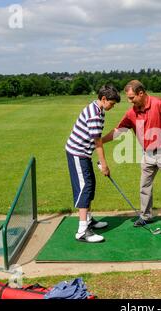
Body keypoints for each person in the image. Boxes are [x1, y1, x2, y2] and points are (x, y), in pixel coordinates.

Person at [102, 80, 161, 230]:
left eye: (131, 98)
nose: (130, 101)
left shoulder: (160, 104)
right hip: (147, 155)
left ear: (141, 93)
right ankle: (145, 216)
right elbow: (119, 131)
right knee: (145, 186)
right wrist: (100, 141)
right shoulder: (131, 112)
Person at [65, 84, 121, 243]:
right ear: (103, 99)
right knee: (85, 187)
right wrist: (104, 165)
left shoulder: (98, 109)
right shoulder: (95, 115)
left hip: (84, 153)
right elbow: (98, 143)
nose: (112, 106)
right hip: (77, 153)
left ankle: (88, 220)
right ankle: (82, 231)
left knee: (91, 184)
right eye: (111, 103)